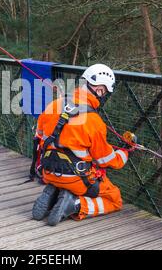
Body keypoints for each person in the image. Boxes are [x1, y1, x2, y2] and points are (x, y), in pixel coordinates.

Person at [32, 64, 128, 226]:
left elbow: (38, 139)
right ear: (100, 90)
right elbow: (105, 160)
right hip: (76, 178)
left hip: (48, 172)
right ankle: (75, 204)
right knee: (114, 199)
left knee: (67, 173)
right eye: (104, 93)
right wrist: (124, 154)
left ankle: (56, 192)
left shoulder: (53, 105)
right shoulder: (94, 121)